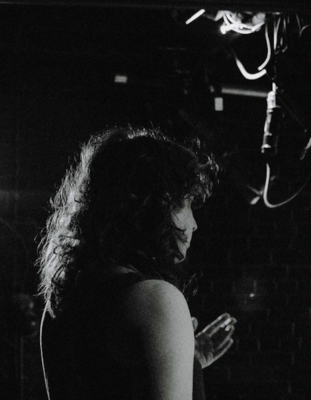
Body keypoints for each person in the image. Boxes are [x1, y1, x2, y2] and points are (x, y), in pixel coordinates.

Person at [37, 126, 236, 400]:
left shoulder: (62, 301)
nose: (194, 224)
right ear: (160, 203)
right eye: (187, 203)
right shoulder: (156, 301)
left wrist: (188, 364)